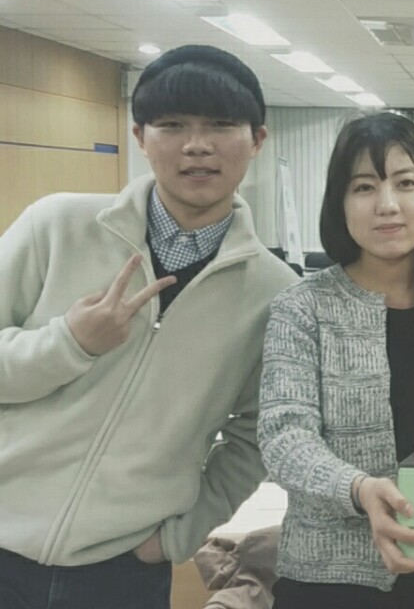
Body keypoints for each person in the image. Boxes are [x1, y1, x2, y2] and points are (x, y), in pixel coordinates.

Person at [0, 44, 297, 609]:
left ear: (257, 139)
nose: (196, 145)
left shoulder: (274, 291)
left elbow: (259, 432)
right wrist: (69, 344)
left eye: (220, 125)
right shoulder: (56, 226)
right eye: (172, 125)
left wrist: (176, 539)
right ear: (139, 136)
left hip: (123, 569)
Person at [258, 112, 414, 609]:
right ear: (340, 202)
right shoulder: (303, 309)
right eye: (364, 187)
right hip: (330, 581)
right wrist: (358, 489)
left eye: (405, 183)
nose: (387, 204)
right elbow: (284, 436)